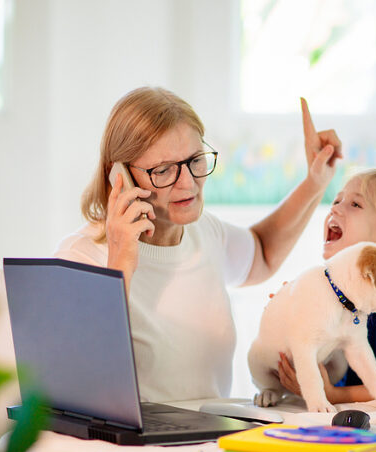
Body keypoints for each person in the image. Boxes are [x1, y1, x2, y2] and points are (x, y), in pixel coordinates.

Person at [55, 87, 341, 403]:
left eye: (195, 161)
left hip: (213, 442)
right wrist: (121, 260)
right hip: (134, 449)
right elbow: (76, 386)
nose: (188, 183)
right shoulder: (79, 258)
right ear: (120, 176)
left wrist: (315, 182)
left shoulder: (204, 233)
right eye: (163, 170)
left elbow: (261, 252)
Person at [277, 169, 376, 403]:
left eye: (355, 204)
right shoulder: (341, 294)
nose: (335, 208)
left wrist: (331, 395)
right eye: (337, 200)